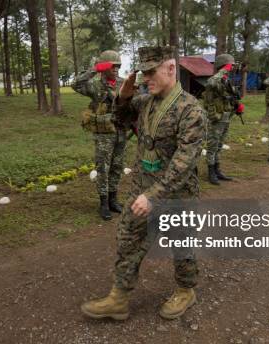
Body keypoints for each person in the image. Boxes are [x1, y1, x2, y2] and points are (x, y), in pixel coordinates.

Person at [80, 46, 207, 320]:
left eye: (151, 72)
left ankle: (186, 290)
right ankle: (119, 299)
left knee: (180, 245)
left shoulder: (191, 110)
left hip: (175, 194)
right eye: (142, 72)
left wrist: (153, 195)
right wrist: (124, 98)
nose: (145, 78)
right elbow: (120, 121)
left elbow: (184, 162)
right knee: (128, 238)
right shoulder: (144, 102)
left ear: (171, 69)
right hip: (141, 189)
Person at [73, 50, 126, 220]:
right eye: (112, 66)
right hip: (104, 134)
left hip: (121, 132)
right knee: (103, 168)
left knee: (117, 166)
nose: (116, 69)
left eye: (118, 66)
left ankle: (113, 200)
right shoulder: (95, 85)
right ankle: (103, 204)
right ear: (104, 67)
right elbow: (76, 84)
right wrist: (94, 69)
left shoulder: (123, 83)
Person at [202, 53, 244, 184]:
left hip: (226, 116)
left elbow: (228, 96)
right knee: (213, 145)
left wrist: (236, 105)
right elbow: (210, 83)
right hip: (217, 117)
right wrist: (223, 71)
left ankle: (217, 169)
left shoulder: (226, 80)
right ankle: (211, 172)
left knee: (219, 145)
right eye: (230, 65)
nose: (232, 68)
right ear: (224, 66)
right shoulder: (216, 79)